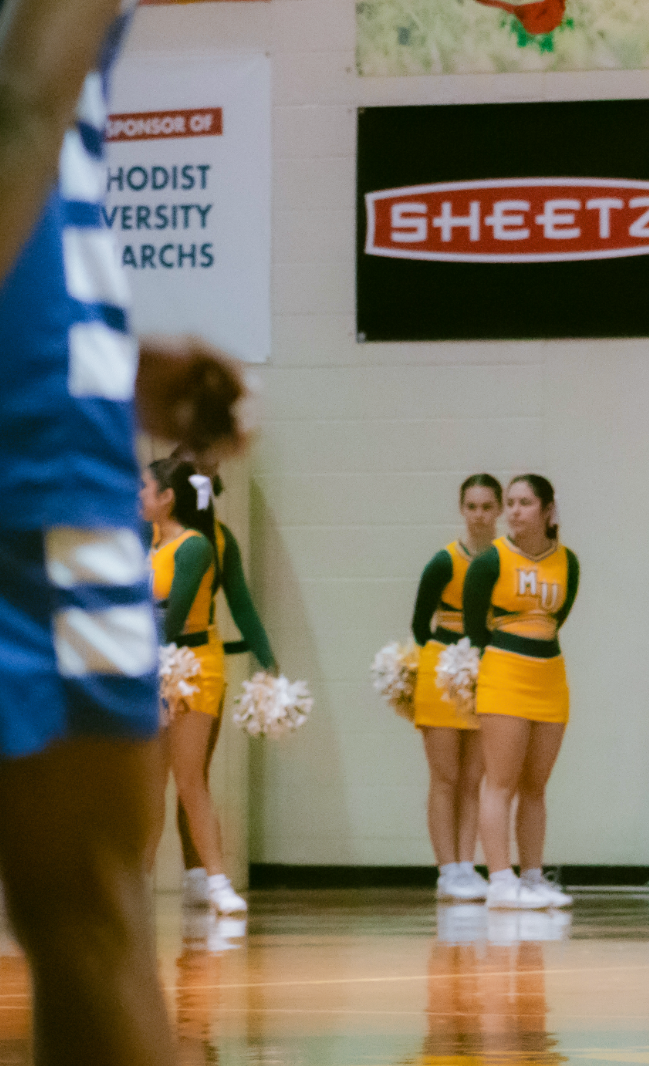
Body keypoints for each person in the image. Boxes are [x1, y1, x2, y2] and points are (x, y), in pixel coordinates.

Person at [0, 0, 247, 1061]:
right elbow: (23, 106)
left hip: (51, 409)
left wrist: (120, 367)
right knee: (91, 922)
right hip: (38, 455)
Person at [143, 455, 276, 915]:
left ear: (167, 497)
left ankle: (216, 881)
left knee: (189, 778)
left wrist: (268, 660)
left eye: (144, 488)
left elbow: (174, 618)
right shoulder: (150, 540)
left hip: (190, 666)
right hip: (153, 663)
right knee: (149, 783)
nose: (135, 495)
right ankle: (138, 886)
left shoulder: (197, 545)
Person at [464, 475, 580, 910]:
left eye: (524, 502)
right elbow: (475, 627)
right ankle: (500, 880)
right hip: (504, 676)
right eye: (510, 502)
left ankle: (532, 877)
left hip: (550, 678)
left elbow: (558, 617)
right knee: (500, 782)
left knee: (536, 785)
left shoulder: (568, 562)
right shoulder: (490, 561)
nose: (513, 510)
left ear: (548, 510)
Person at [411, 474, 503, 902]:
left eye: (487, 507)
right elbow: (419, 624)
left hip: (488, 672)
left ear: (499, 510)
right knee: (445, 776)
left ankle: (468, 865)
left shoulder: (506, 561)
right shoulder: (444, 562)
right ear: (462, 510)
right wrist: (444, 662)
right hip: (443, 672)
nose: (479, 516)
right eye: (472, 507)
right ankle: (446, 869)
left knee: (473, 778)